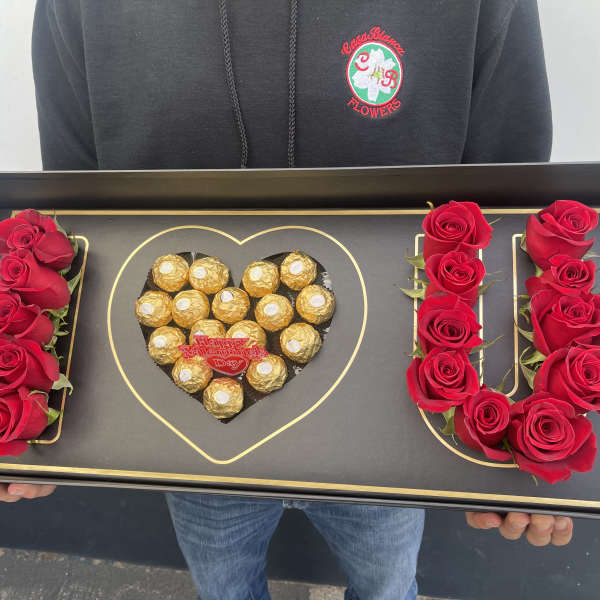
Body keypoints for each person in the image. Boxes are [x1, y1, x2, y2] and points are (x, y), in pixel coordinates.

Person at [3, 1, 573, 598]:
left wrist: (518, 446)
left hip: (394, 416)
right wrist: (36, 426)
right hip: (190, 409)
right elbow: (75, 211)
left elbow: (511, 197)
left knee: (386, 586)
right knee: (224, 587)